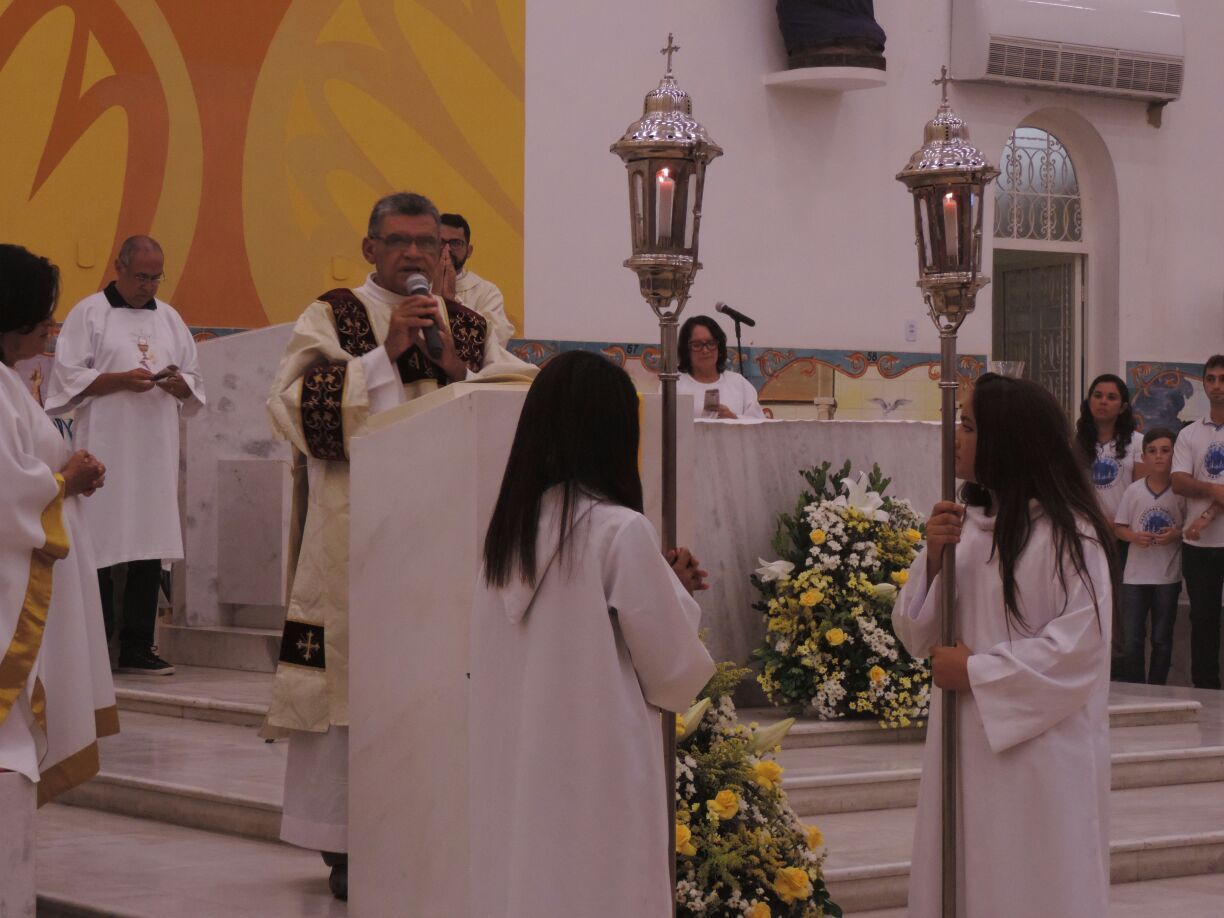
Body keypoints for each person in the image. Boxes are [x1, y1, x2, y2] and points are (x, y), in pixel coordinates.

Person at [264, 191, 530, 900]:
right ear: (370, 248)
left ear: (445, 252)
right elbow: (294, 408)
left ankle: (436, 829)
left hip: (447, 537)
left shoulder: (466, 326)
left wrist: (457, 371)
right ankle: (348, 840)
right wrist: (382, 358)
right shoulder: (334, 316)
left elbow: (511, 403)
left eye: (427, 242)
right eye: (399, 241)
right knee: (354, 687)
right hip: (357, 538)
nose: (415, 253)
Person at [470, 350, 715, 917]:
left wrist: (658, 582)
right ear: (614, 433)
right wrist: (673, 591)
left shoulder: (506, 536)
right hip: (598, 773)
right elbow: (674, 673)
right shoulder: (619, 530)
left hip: (520, 768)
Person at [894, 373, 1114, 918]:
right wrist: (934, 558)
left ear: (1007, 440)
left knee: (1029, 881)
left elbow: (1077, 652)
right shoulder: (965, 529)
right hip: (963, 742)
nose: (956, 437)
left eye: (968, 426)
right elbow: (916, 634)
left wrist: (976, 671)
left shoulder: (1071, 537)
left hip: (1038, 755)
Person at [1, 245, 118, 870]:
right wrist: (63, 481)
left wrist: (67, 474)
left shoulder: (9, 383)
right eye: (42, 314)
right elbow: (5, 491)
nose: (51, 326)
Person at [45, 236, 205, 676]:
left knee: (149, 542)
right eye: (140, 277)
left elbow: (194, 379)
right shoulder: (89, 314)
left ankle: (137, 647)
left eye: (155, 278)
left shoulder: (170, 318)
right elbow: (66, 380)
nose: (147, 286)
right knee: (99, 541)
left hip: (155, 451)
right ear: (119, 267)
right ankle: (97, 646)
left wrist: (180, 384)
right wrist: (118, 380)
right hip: (105, 448)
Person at [1114, 428, 1186, 685]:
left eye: (1165, 451)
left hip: (1167, 577)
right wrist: (1134, 537)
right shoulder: (1133, 491)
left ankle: (1158, 688)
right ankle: (1136, 689)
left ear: (1175, 454)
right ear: (1143, 456)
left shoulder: (1181, 493)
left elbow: (1189, 530)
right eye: (1152, 451)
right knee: (1132, 640)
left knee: (1162, 639)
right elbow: (1119, 527)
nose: (1159, 456)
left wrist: (1176, 534)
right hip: (1135, 577)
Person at [1171, 355, 1224, 689]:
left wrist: (1210, 505)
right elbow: (1179, 482)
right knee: (1203, 619)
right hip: (1199, 546)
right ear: (1203, 384)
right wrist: (1215, 490)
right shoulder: (1189, 434)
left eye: (1223, 379)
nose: (1217, 386)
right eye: (1211, 379)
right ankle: (1207, 691)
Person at [1074, 373, 1145, 568]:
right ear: (1089, 402)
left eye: (1111, 397)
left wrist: (1118, 526)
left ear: (1122, 407)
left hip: (1125, 535)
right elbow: (1071, 490)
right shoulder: (1075, 443)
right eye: (1097, 396)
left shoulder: (1138, 442)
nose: (1103, 401)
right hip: (1085, 531)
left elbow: (1141, 491)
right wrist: (1097, 521)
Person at [437, 212, 514, 348]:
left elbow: (499, 338)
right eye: (440, 242)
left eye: (455, 243)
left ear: (469, 251)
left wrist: (453, 303)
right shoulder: (414, 284)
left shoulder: (487, 292)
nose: (447, 249)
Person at [673, 314, 765, 420]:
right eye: (697, 345)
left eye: (711, 343)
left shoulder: (739, 383)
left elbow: (759, 424)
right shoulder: (674, 384)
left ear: (719, 348)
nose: (705, 350)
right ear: (686, 350)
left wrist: (734, 418)